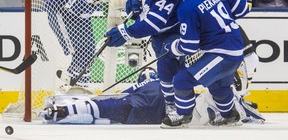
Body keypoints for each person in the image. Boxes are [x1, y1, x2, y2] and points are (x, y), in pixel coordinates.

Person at [160, 0, 251, 128]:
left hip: (222, 53)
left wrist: (172, 48)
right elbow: (243, 8)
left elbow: (188, 46)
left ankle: (183, 115)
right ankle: (230, 115)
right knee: (218, 85)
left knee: (182, 79)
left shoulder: (187, 7)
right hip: (236, 49)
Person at [104, 0, 183, 113]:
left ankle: (174, 108)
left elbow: (153, 25)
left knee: (168, 68)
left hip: (172, 35)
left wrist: (125, 32)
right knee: (167, 74)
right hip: (158, 37)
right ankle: (169, 104)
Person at [40, 67, 264, 125]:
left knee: (116, 107)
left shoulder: (225, 98)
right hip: (162, 104)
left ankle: (65, 107)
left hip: (161, 102)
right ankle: (66, 108)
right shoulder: (230, 101)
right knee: (116, 108)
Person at [208, 0, 259, 103]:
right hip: (208, 29)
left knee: (251, 58)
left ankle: (240, 96)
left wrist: (228, 13)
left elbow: (247, 3)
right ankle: (214, 97)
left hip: (229, 25)